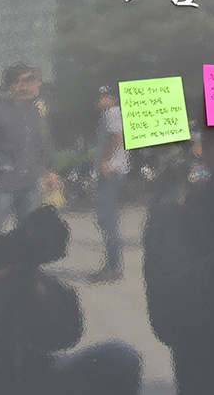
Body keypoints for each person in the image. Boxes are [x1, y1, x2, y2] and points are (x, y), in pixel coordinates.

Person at [0, 64, 59, 233]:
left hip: (29, 183)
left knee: (29, 233)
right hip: (1, 185)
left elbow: (44, 144)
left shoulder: (36, 111)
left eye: (37, 80)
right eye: (29, 80)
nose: (36, 84)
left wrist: (50, 171)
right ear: (13, 85)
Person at [90, 85, 129, 282]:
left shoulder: (112, 113)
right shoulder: (114, 113)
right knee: (107, 218)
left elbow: (117, 135)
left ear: (112, 98)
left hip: (111, 171)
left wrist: (105, 160)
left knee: (107, 218)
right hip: (115, 170)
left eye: (103, 96)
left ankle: (113, 266)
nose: (99, 99)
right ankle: (112, 264)